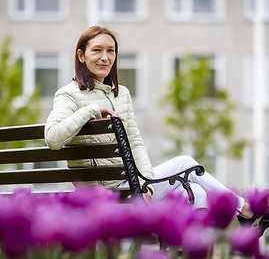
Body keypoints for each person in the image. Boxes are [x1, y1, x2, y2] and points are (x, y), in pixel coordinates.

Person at [44, 26, 268, 233]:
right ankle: (245, 210)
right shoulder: (69, 94)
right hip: (104, 194)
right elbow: (52, 138)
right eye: (97, 50)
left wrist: (144, 184)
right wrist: (91, 111)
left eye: (111, 50)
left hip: (129, 185)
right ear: (81, 55)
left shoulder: (121, 94)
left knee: (195, 191)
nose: (105, 57)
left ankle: (190, 251)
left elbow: (135, 143)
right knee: (186, 163)